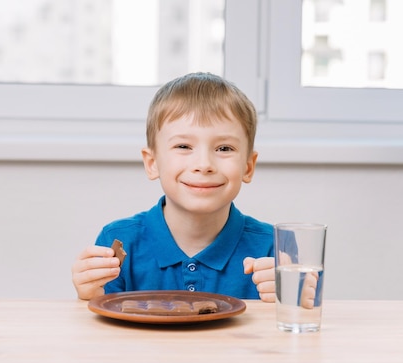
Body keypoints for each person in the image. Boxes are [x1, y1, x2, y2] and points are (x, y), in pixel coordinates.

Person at [71, 72, 275, 302]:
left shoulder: (273, 248)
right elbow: (100, 332)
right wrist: (89, 297)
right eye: (183, 146)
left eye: (224, 148)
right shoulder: (118, 240)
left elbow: (296, 329)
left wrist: (295, 300)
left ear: (248, 167)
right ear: (152, 163)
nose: (204, 165)